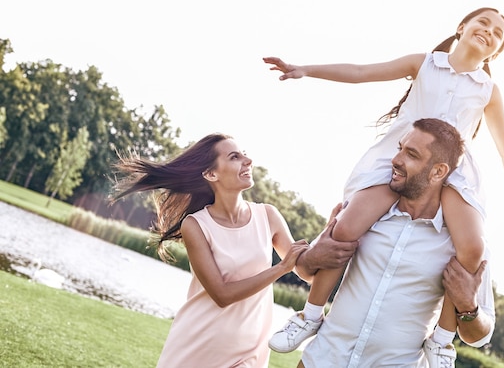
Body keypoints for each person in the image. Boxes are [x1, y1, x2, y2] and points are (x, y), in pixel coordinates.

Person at [264, 7, 504, 364]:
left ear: (496, 52)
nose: (489, 31)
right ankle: (310, 316)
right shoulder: (424, 63)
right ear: (461, 27)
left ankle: (440, 341)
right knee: (346, 226)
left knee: (471, 248)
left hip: (450, 171)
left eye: (498, 33)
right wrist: (306, 70)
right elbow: (362, 72)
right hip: (402, 156)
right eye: (483, 22)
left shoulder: (488, 90)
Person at [110, 132, 358, 368]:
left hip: (249, 349)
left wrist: (325, 237)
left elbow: (304, 269)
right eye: (234, 157)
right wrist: (281, 268)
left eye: (244, 154)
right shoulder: (196, 225)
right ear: (211, 174)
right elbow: (222, 294)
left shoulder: (267, 215)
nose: (247, 161)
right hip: (198, 345)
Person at [301, 118, 494, 367]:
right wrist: (313, 256)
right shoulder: (362, 213)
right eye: (399, 148)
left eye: (411, 154)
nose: (396, 160)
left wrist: (468, 307)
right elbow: (306, 271)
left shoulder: (463, 243)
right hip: (322, 360)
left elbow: (479, 336)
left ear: (438, 171)